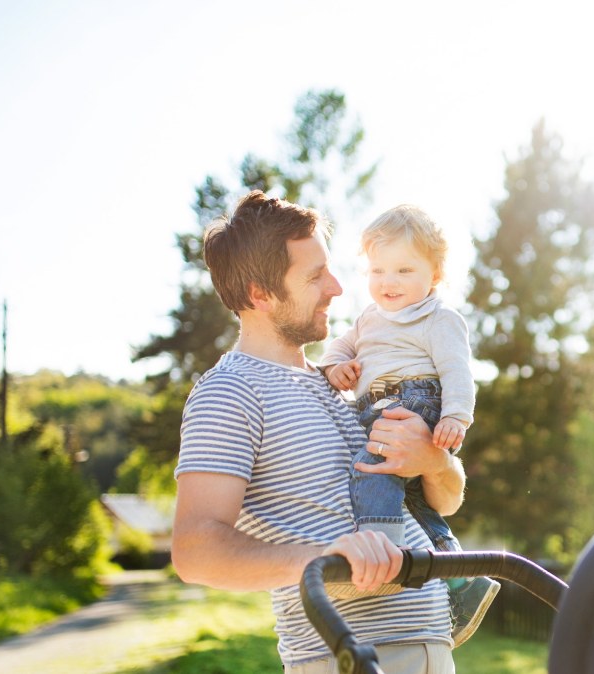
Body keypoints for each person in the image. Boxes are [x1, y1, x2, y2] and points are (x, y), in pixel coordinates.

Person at [171, 191, 463, 674]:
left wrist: (435, 462)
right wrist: (324, 557)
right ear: (260, 295)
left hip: (432, 647)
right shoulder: (229, 392)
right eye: (314, 276)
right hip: (344, 657)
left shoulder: (346, 382)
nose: (337, 288)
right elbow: (195, 552)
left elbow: (447, 501)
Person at [318, 204, 499, 648]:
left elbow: (457, 372)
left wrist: (456, 416)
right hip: (375, 408)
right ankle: (463, 579)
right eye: (378, 270)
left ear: (434, 274)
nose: (389, 281)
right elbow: (339, 348)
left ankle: (383, 552)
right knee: (414, 499)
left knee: (371, 468)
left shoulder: (439, 318)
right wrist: (336, 367)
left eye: (404, 270)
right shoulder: (368, 318)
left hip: (413, 404)